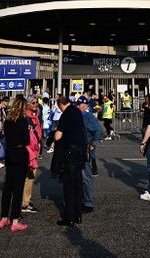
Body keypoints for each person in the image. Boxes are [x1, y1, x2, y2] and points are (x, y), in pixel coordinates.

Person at [0, 95, 30, 232]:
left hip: (9, 153)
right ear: (23, 107)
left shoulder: (8, 120)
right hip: (20, 153)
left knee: (8, 187)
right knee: (18, 188)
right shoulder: (23, 121)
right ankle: (15, 220)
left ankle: (4, 217)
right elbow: (26, 140)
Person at [53, 96, 87, 226]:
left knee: (69, 185)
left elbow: (58, 136)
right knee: (78, 183)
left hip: (70, 152)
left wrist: (55, 133)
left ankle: (69, 217)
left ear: (61, 105)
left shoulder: (66, 114)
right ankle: (78, 215)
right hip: (80, 150)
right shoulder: (77, 111)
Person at [78, 96, 104, 213]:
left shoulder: (88, 116)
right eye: (78, 104)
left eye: (82, 104)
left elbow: (99, 130)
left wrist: (93, 143)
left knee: (86, 176)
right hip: (78, 148)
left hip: (86, 148)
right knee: (80, 176)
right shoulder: (79, 115)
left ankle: (88, 202)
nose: (80, 106)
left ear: (87, 105)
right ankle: (82, 199)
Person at [21, 97, 44, 215]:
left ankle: (24, 201)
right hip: (27, 151)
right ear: (27, 104)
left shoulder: (36, 116)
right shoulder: (26, 117)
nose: (36, 105)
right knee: (29, 177)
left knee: (28, 177)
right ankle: (25, 203)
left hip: (34, 150)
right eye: (33, 103)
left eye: (37, 103)